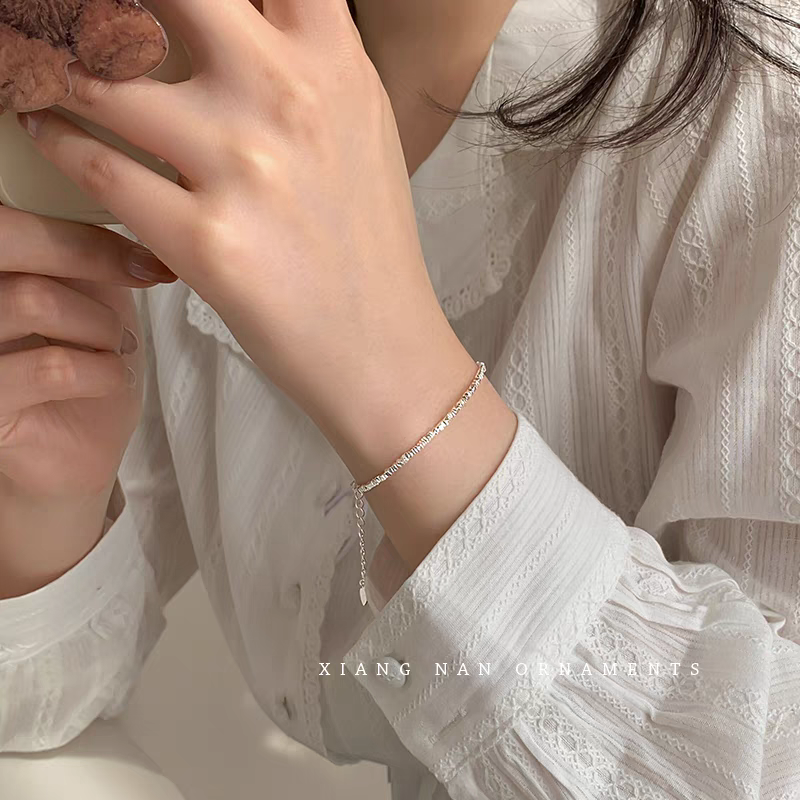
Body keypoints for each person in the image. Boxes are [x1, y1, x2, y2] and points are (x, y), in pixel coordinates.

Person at [0, 0, 798, 797]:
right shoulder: (153, 56)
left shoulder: (768, 112)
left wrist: (389, 375)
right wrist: (47, 507)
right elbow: (44, 705)